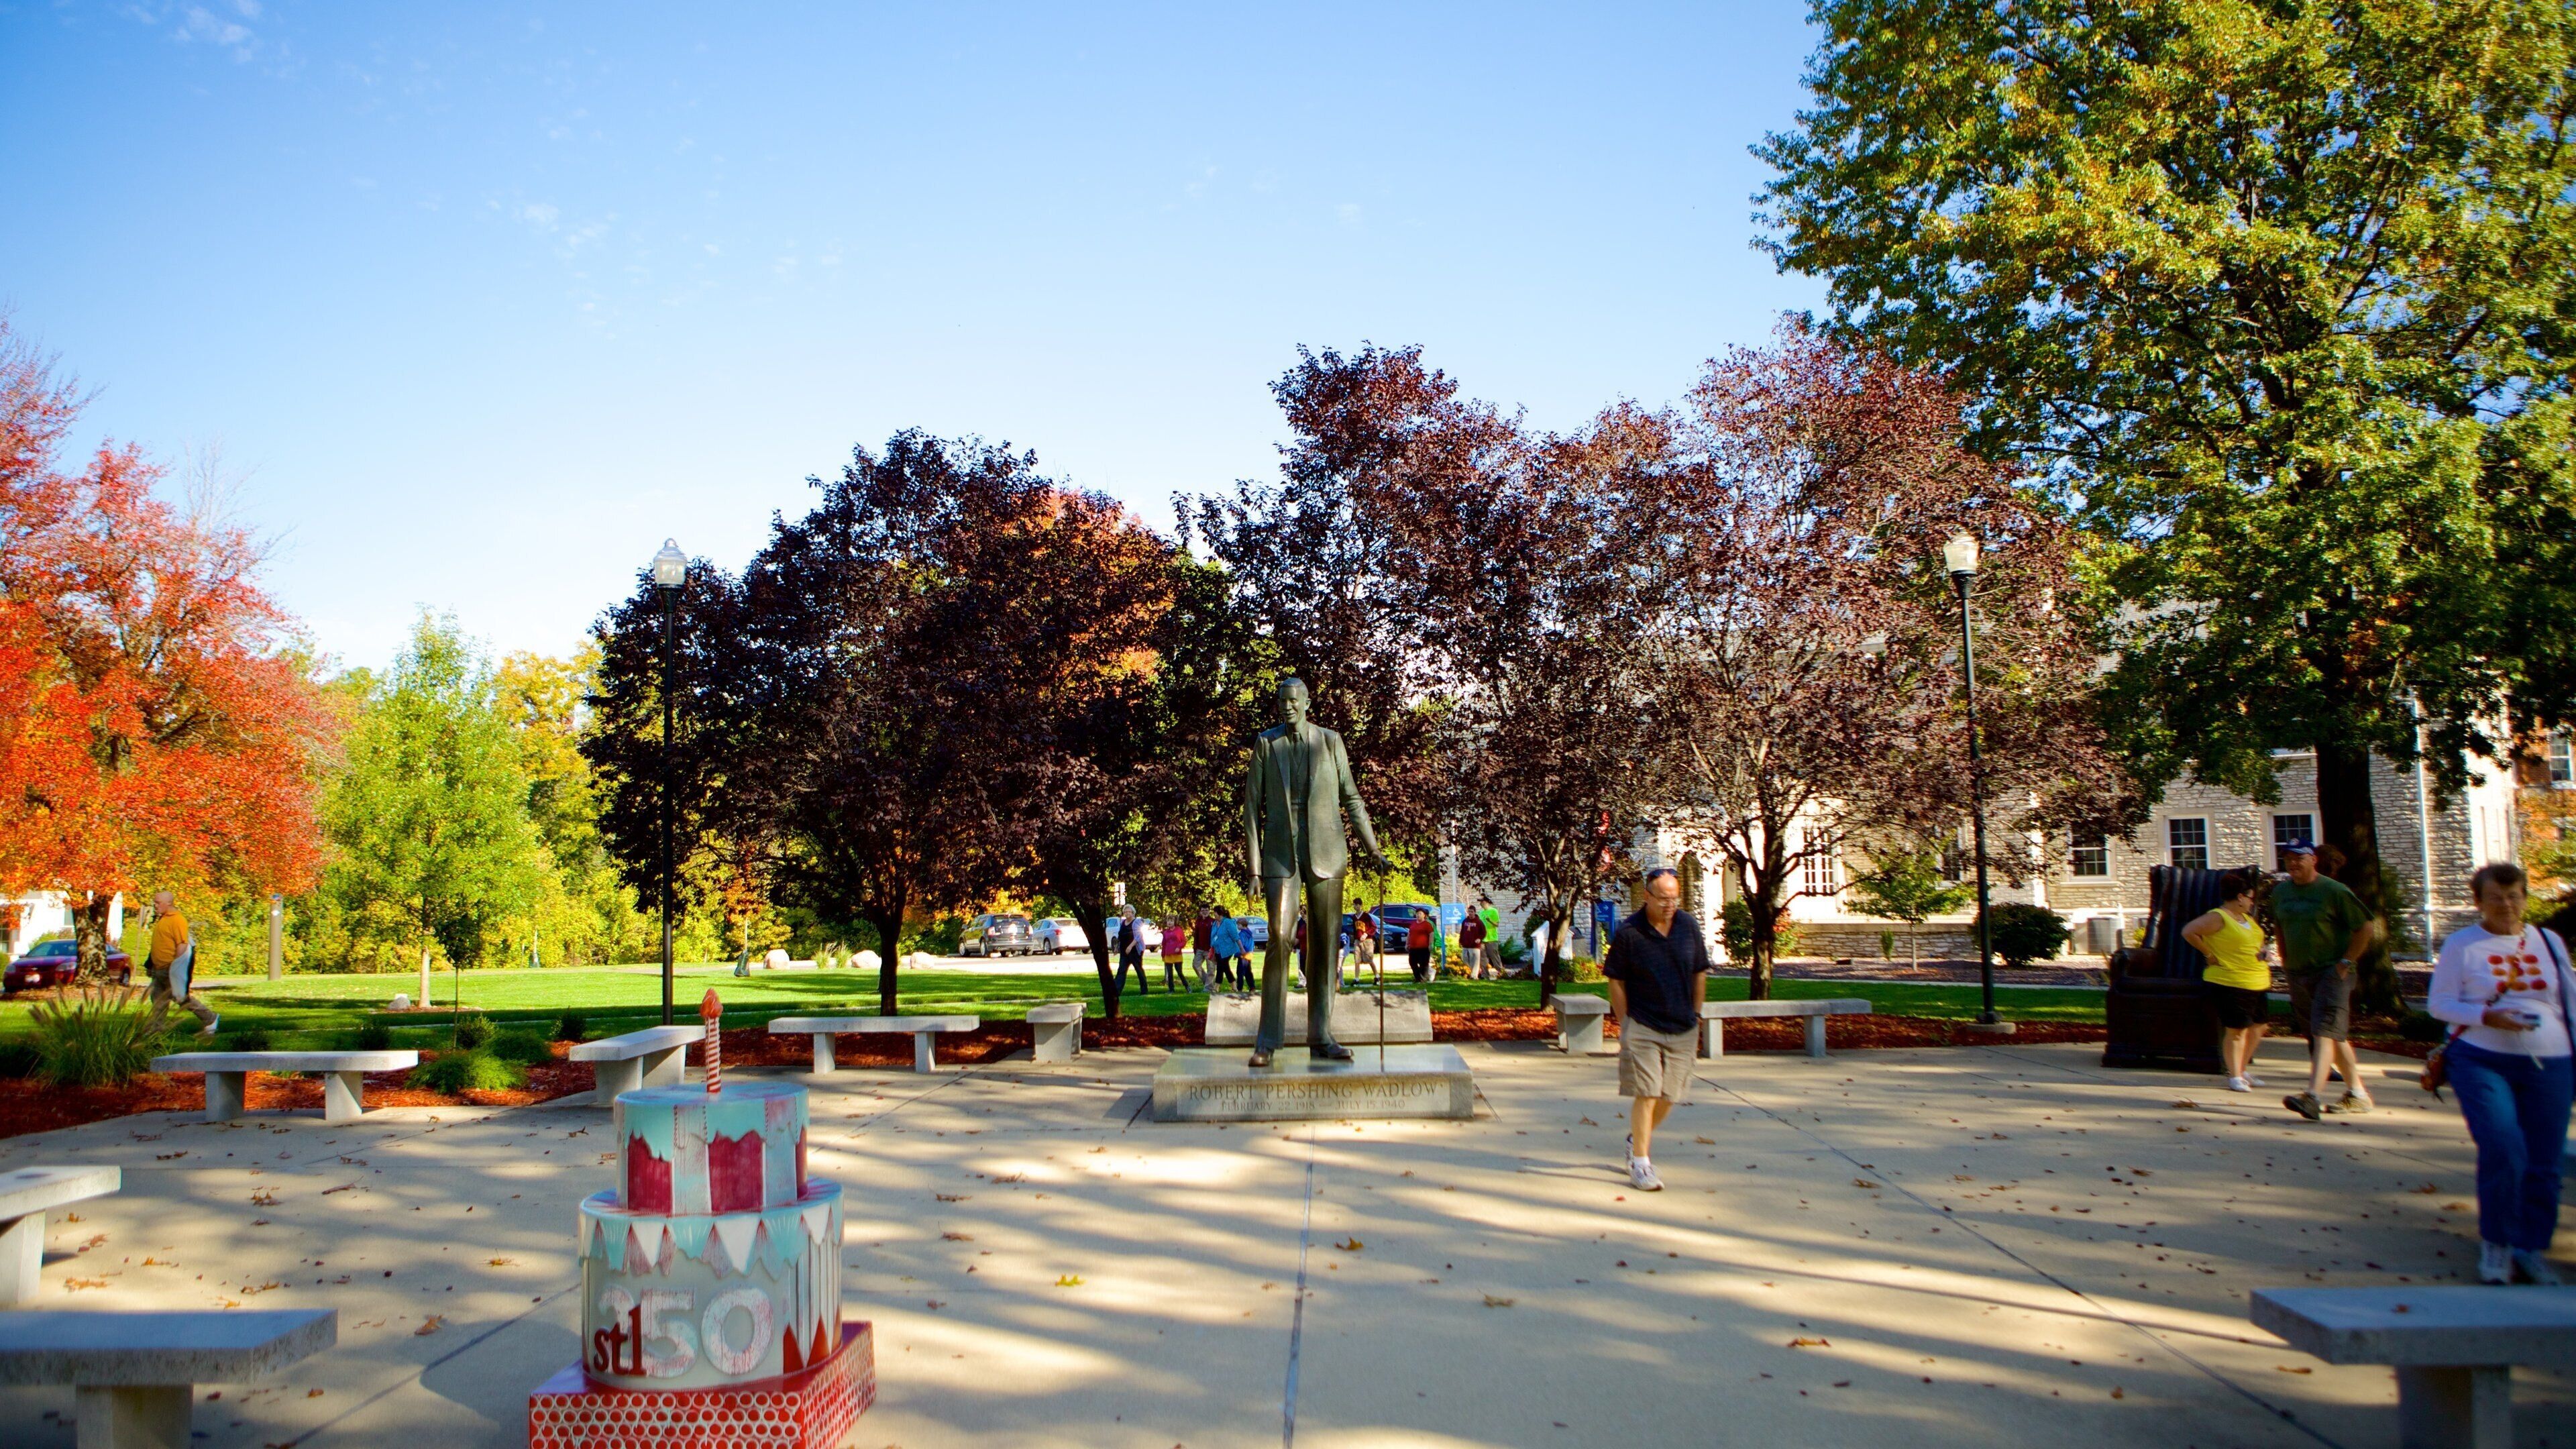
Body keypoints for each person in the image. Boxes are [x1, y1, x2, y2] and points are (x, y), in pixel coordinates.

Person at [2428, 863, 2572, 1285]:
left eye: (2514, 896)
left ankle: (2531, 1247)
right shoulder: (2462, 944)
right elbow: (2440, 1004)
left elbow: (2569, 1000)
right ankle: (2498, 1243)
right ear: (2479, 902)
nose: (2506, 905)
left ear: (2525, 898)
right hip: (2482, 1059)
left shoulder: (2549, 941)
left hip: (2553, 1060)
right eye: (2495, 898)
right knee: (2503, 1147)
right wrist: (2486, 1016)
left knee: (2545, 1160)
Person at [1602, 867, 1710, 1193]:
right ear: (1647, 896)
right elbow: (1616, 980)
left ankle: (1636, 1139)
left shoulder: (1688, 927)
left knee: (1670, 1095)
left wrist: (1696, 1013)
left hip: (1683, 1024)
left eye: (1674, 898)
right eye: (1663, 898)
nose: (1669, 904)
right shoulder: (1629, 932)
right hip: (1643, 1025)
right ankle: (1641, 1163)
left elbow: (1699, 972)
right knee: (1647, 1091)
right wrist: (1626, 1023)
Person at [2271, 839, 2379, 1120]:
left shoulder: (2334, 891)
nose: (2293, 863)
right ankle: (2358, 1094)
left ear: (2313, 860)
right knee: (2332, 1035)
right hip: (2298, 973)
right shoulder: (2281, 892)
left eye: (2299, 857)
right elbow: (2279, 926)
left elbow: (2366, 927)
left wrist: (2346, 963)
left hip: (2332, 974)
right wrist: (2285, 959)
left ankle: (2312, 1097)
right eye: (2288, 858)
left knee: (2324, 1033)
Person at [2182, 867, 2272, 1092]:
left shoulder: (2246, 918)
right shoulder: (2218, 917)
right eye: (2250, 898)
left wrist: (2263, 952)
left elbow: (2253, 942)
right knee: (2236, 1030)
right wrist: (2209, 954)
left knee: (2259, 1026)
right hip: (2231, 981)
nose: (2252, 902)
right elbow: (2189, 931)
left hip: (2257, 980)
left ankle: (2242, 1069)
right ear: (2240, 897)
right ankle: (2234, 1076)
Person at [146, 890, 219, 1035]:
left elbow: (182, 945)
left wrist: (176, 968)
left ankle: (210, 1018)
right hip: (158, 969)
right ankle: (155, 1031)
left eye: (158, 903)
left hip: (169, 969)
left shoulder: (178, 920)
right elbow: (160, 944)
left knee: (181, 999)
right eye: (155, 903)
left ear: (169, 903)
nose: (155, 906)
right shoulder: (163, 918)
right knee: (158, 1001)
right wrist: (150, 964)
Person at [1114, 904, 1150, 996]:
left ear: (1133, 913)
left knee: (1139, 970)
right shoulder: (1123, 923)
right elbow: (1120, 936)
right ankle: (1116, 992)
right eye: (1126, 912)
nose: (1127, 913)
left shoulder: (1136, 922)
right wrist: (1116, 948)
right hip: (1124, 952)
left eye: (1129, 911)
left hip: (1135, 951)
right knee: (1121, 971)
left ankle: (1144, 991)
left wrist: (1130, 947)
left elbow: (1139, 936)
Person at [1210, 914, 1247, 992]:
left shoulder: (1228, 923)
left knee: (1222, 967)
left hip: (1227, 950)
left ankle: (1217, 987)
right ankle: (1233, 986)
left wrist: (1242, 949)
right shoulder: (1215, 923)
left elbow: (1235, 937)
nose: (1215, 916)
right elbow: (1213, 937)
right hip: (1219, 949)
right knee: (1223, 968)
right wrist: (1213, 947)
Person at [1161, 915, 1191, 990]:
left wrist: (1179, 947)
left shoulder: (1179, 930)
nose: (1169, 922)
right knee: (1170, 974)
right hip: (1168, 955)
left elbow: (1183, 941)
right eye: (1168, 921)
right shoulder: (1165, 932)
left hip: (1177, 955)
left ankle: (1187, 986)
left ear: (1175, 922)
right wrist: (1163, 955)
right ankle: (1171, 989)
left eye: (1171, 921)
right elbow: (1164, 944)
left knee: (1179, 972)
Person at [1460, 908, 1489, 979]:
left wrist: (1480, 939)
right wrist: (1461, 941)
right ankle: (1477, 971)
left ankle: (1474, 976)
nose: (1470, 913)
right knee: (1464, 959)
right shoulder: (1465, 921)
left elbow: (1484, 932)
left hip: (1475, 945)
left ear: (1475, 912)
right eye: (1469, 912)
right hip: (1466, 945)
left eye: (1472, 912)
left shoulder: (1479, 922)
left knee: (1476, 961)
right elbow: (1462, 932)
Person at [1407, 911, 1435, 983]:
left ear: (1424, 915)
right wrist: (1407, 944)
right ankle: (1418, 978)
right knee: (1412, 962)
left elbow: (1431, 934)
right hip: (1413, 948)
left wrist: (1430, 944)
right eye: (1417, 914)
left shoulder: (1427, 924)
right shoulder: (1413, 924)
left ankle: (1422, 978)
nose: (1418, 915)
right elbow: (1409, 934)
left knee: (1423, 964)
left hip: (1424, 948)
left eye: (1420, 914)